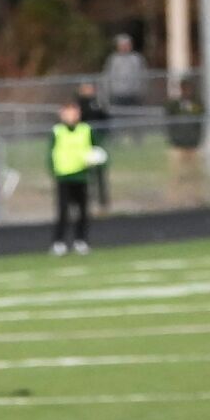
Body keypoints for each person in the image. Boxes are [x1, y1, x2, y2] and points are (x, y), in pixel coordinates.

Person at [49, 100, 94, 257]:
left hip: (81, 176)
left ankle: (80, 241)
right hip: (64, 176)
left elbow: (93, 149)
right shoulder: (57, 131)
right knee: (63, 212)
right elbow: (50, 154)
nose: (71, 116)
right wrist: (53, 172)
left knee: (82, 212)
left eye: (74, 112)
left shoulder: (85, 129)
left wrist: (95, 160)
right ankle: (59, 242)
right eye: (68, 112)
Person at [165, 79, 204, 207]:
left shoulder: (196, 104)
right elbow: (168, 117)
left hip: (193, 144)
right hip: (178, 145)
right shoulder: (174, 105)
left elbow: (200, 117)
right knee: (177, 174)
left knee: (195, 174)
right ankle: (175, 199)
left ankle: (195, 198)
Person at [75, 81, 110, 210]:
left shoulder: (97, 103)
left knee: (100, 171)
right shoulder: (78, 105)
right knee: (84, 172)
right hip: (83, 143)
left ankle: (102, 200)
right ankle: (84, 199)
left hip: (97, 141)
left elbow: (105, 118)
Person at [102, 33, 147, 116]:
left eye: (127, 45)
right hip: (117, 94)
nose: (124, 47)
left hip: (133, 94)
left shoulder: (136, 59)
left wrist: (141, 91)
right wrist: (107, 93)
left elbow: (142, 76)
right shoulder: (113, 60)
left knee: (133, 116)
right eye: (122, 45)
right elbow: (107, 76)